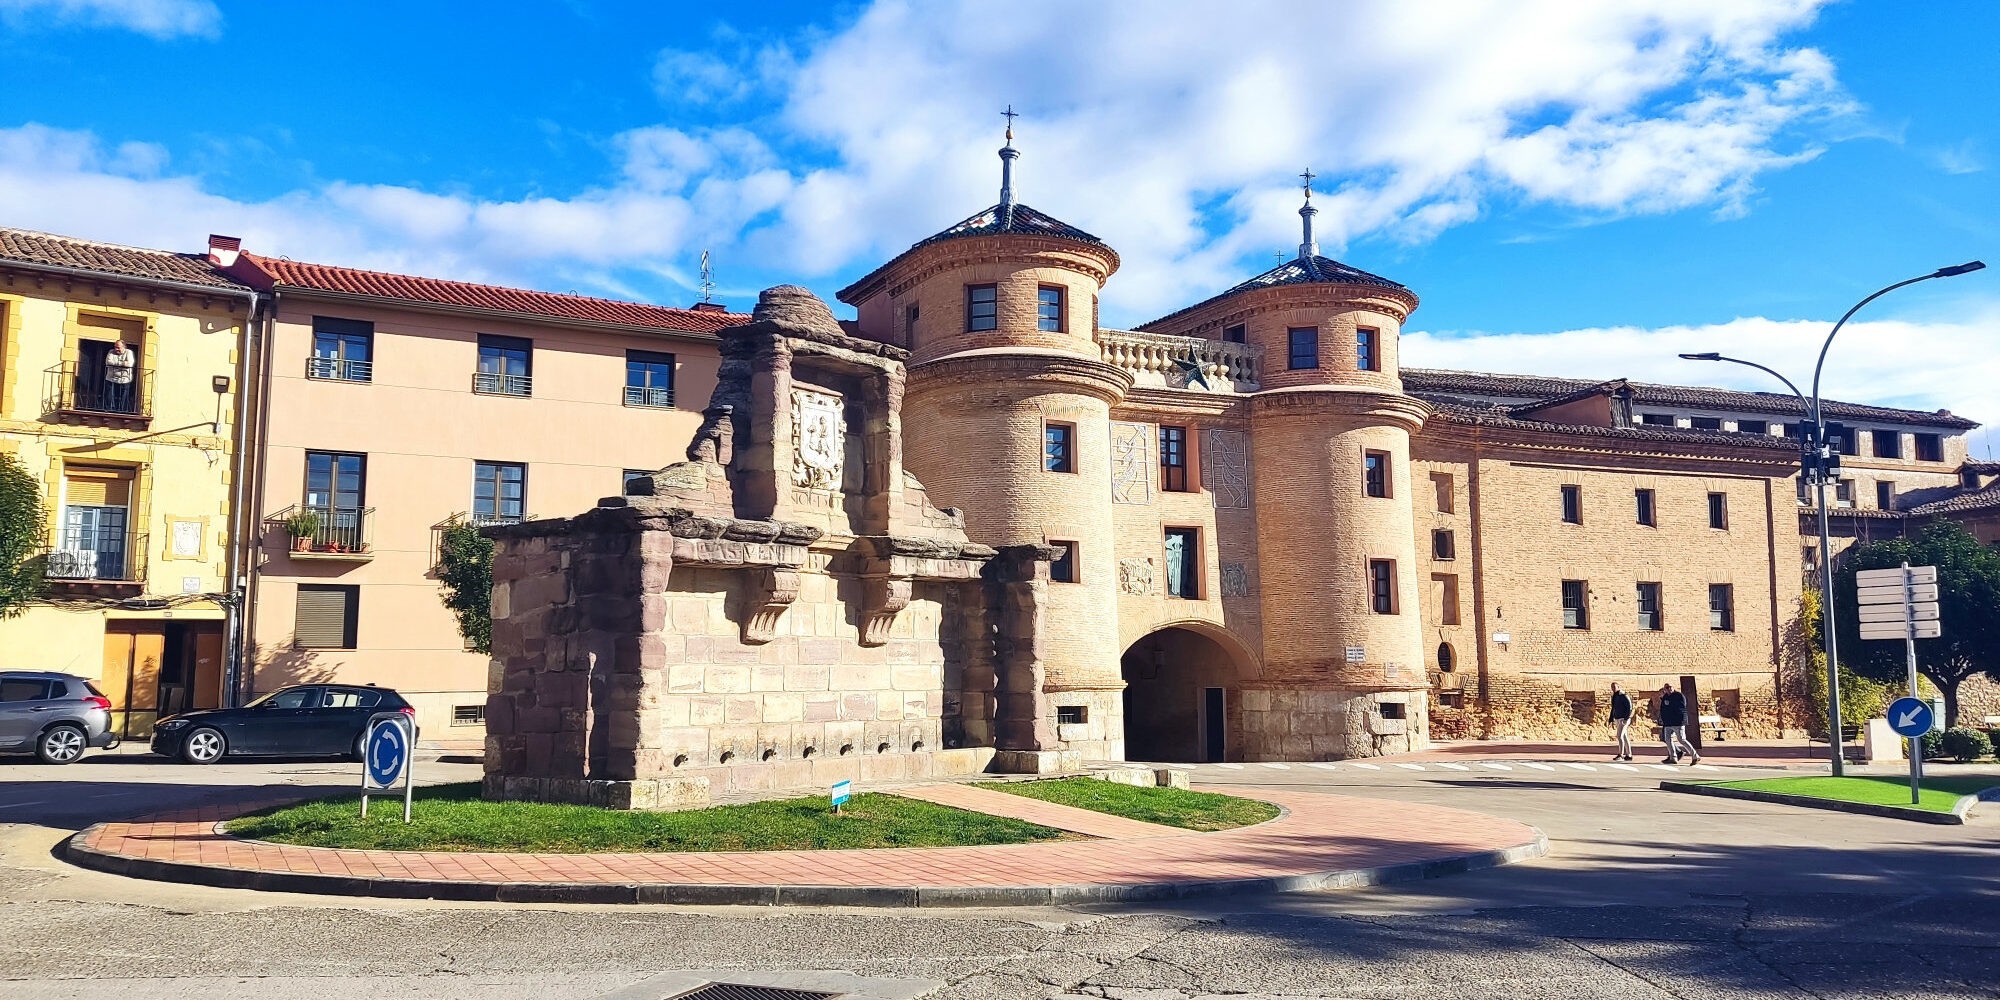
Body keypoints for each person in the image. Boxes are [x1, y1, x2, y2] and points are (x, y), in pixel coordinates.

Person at [1659, 683, 1700, 764]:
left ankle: (1695, 756)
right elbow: (1663, 709)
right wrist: (1664, 719)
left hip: (1678, 722)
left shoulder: (1679, 696)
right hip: (1668, 723)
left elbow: (1681, 708)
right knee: (1668, 740)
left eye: (1670, 687)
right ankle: (1673, 757)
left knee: (1682, 740)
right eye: (1667, 688)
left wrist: (1680, 719)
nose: (1669, 689)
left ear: (1673, 687)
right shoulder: (1665, 697)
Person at [103, 339, 136, 412]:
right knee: (109, 396)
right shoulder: (111, 352)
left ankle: (122, 411)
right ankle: (109, 409)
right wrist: (122, 364)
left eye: (118, 347)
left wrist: (115, 364)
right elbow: (108, 362)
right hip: (111, 378)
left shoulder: (129, 352)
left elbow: (130, 364)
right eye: (115, 347)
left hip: (125, 379)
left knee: (123, 397)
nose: (116, 349)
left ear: (124, 347)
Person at [1609, 682, 1634, 761]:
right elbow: (1613, 708)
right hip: (1617, 718)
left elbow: (1630, 708)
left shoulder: (1623, 696)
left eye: (1615, 687)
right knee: (1624, 736)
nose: (1613, 688)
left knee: (1619, 736)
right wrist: (1611, 719)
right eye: (1612, 687)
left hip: (1624, 719)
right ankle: (1629, 754)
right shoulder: (1614, 696)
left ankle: (1621, 754)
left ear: (1619, 687)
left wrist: (1626, 718)